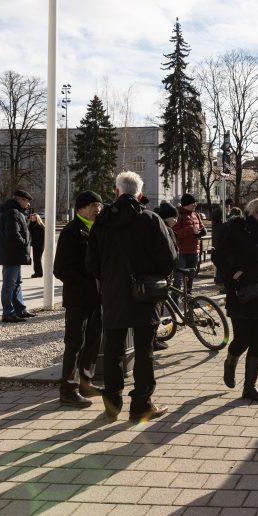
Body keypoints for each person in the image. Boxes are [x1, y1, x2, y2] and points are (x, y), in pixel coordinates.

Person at [86, 171, 177, 422]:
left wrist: (108, 280)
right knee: (144, 350)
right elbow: (169, 258)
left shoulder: (101, 222)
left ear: (116, 192)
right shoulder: (150, 219)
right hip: (146, 295)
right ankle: (141, 405)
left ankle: (112, 403)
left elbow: (91, 262)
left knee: (114, 348)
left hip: (113, 294)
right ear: (139, 193)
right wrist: (154, 276)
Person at [213, 196, 258, 404]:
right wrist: (233, 273)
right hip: (243, 296)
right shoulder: (240, 231)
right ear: (255, 213)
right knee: (243, 339)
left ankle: (250, 387)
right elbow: (219, 256)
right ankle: (231, 360)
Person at [53, 191, 105, 408]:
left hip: (97, 298)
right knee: (75, 343)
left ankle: (86, 382)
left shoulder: (99, 230)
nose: (98, 209)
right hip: (78, 298)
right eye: (94, 205)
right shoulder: (72, 232)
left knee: (93, 341)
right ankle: (68, 389)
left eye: (100, 205)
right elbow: (61, 269)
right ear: (81, 208)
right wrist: (86, 284)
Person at [0, 189, 36, 322]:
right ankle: (8, 313)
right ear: (20, 200)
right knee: (9, 284)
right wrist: (25, 243)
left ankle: (20, 309)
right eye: (26, 201)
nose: (28, 204)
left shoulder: (15, 212)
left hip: (12, 254)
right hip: (11, 255)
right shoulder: (13, 212)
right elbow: (13, 235)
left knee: (16, 283)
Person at [153, 201, 181, 352]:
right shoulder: (166, 229)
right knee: (158, 308)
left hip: (157, 273)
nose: (176, 220)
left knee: (157, 307)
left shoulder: (156, 226)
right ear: (167, 218)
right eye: (174, 218)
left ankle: (153, 338)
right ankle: (153, 340)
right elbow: (171, 253)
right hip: (163, 274)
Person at [171, 193, 205, 302]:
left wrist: (202, 232)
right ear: (186, 204)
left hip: (194, 250)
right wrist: (191, 231)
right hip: (181, 252)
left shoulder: (196, 214)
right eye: (193, 203)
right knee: (178, 279)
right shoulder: (178, 215)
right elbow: (174, 232)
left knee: (191, 277)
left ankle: (188, 299)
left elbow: (201, 227)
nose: (195, 204)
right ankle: (174, 301)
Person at [28, 212, 45, 278]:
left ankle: (39, 273)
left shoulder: (40, 226)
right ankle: (38, 272)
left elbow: (42, 237)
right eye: (32, 218)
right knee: (36, 259)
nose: (33, 219)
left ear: (37, 218)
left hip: (39, 245)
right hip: (35, 244)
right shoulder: (31, 224)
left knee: (37, 259)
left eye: (34, 218)